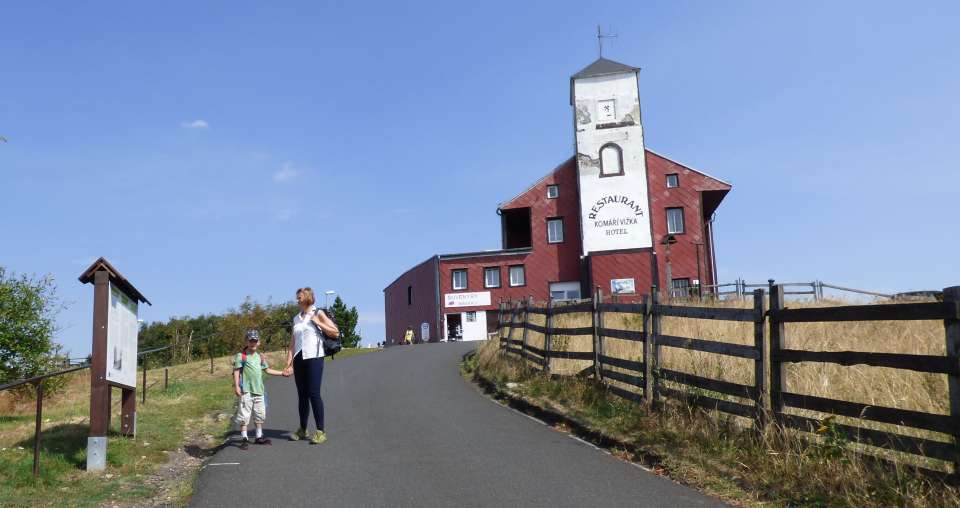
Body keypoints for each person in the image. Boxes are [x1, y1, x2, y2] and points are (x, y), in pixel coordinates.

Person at [283, 287, 339, 444]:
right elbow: (292, 344)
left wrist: (317, 322)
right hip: (299, 359)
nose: (297, 300)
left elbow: (335, 332)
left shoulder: (318, 313)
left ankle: (321, 431)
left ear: (307, 297)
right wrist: (288, 364)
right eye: (297, 297)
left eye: (299, 297)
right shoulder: (296, 319)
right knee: (302, 395)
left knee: (314, 393)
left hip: (314, 357)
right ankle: (302, 429)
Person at [233, 329, 287, 450]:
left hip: (259, 391)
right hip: (246, 390)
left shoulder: (260, 357)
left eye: (255, 341)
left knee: (260, 414)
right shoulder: (241, 356)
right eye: (250, 340)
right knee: (244, 415)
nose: (253, 343)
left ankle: (258, 436)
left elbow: (267, 370)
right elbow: (236, 371)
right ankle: (244, 438)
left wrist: (282, 373)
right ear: (246, 341)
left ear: (259, 342)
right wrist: (236, 386)